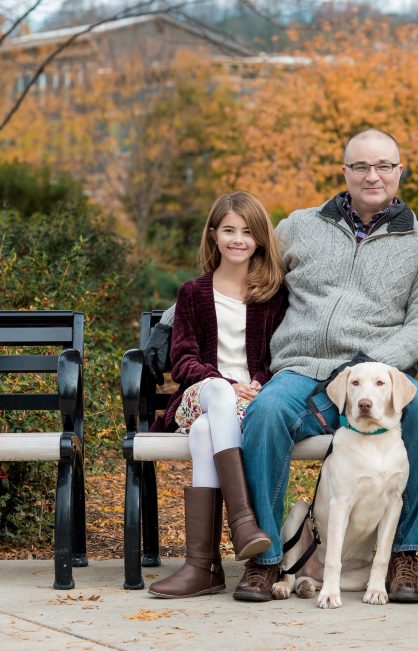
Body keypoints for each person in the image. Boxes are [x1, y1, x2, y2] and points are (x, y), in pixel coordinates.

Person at [232, 128, 418, 603]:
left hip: (374, 375)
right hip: (301, 370)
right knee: (266, 414)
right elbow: (245, 277)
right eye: (361, 166)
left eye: (384, 166)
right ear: (344, 171)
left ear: (399, 172)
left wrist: (369, 372)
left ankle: (406, 557)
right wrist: (179, 316)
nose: (374, 176)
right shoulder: (298, 227)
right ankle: (266, 559)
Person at [149, 191, 287, 599]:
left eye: (247, 232)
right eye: (228, 230)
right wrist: (224, 383)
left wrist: (259, 383)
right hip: (201, 394)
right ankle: (243, 521)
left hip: (250, 403)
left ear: (259, 239)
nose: (237, 239)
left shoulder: (271, 295)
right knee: (216, 400)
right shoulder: (192, 293)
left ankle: (203, 566)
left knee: (207, 432)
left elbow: (277, 356)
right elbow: (184, 359)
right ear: (213, 235)